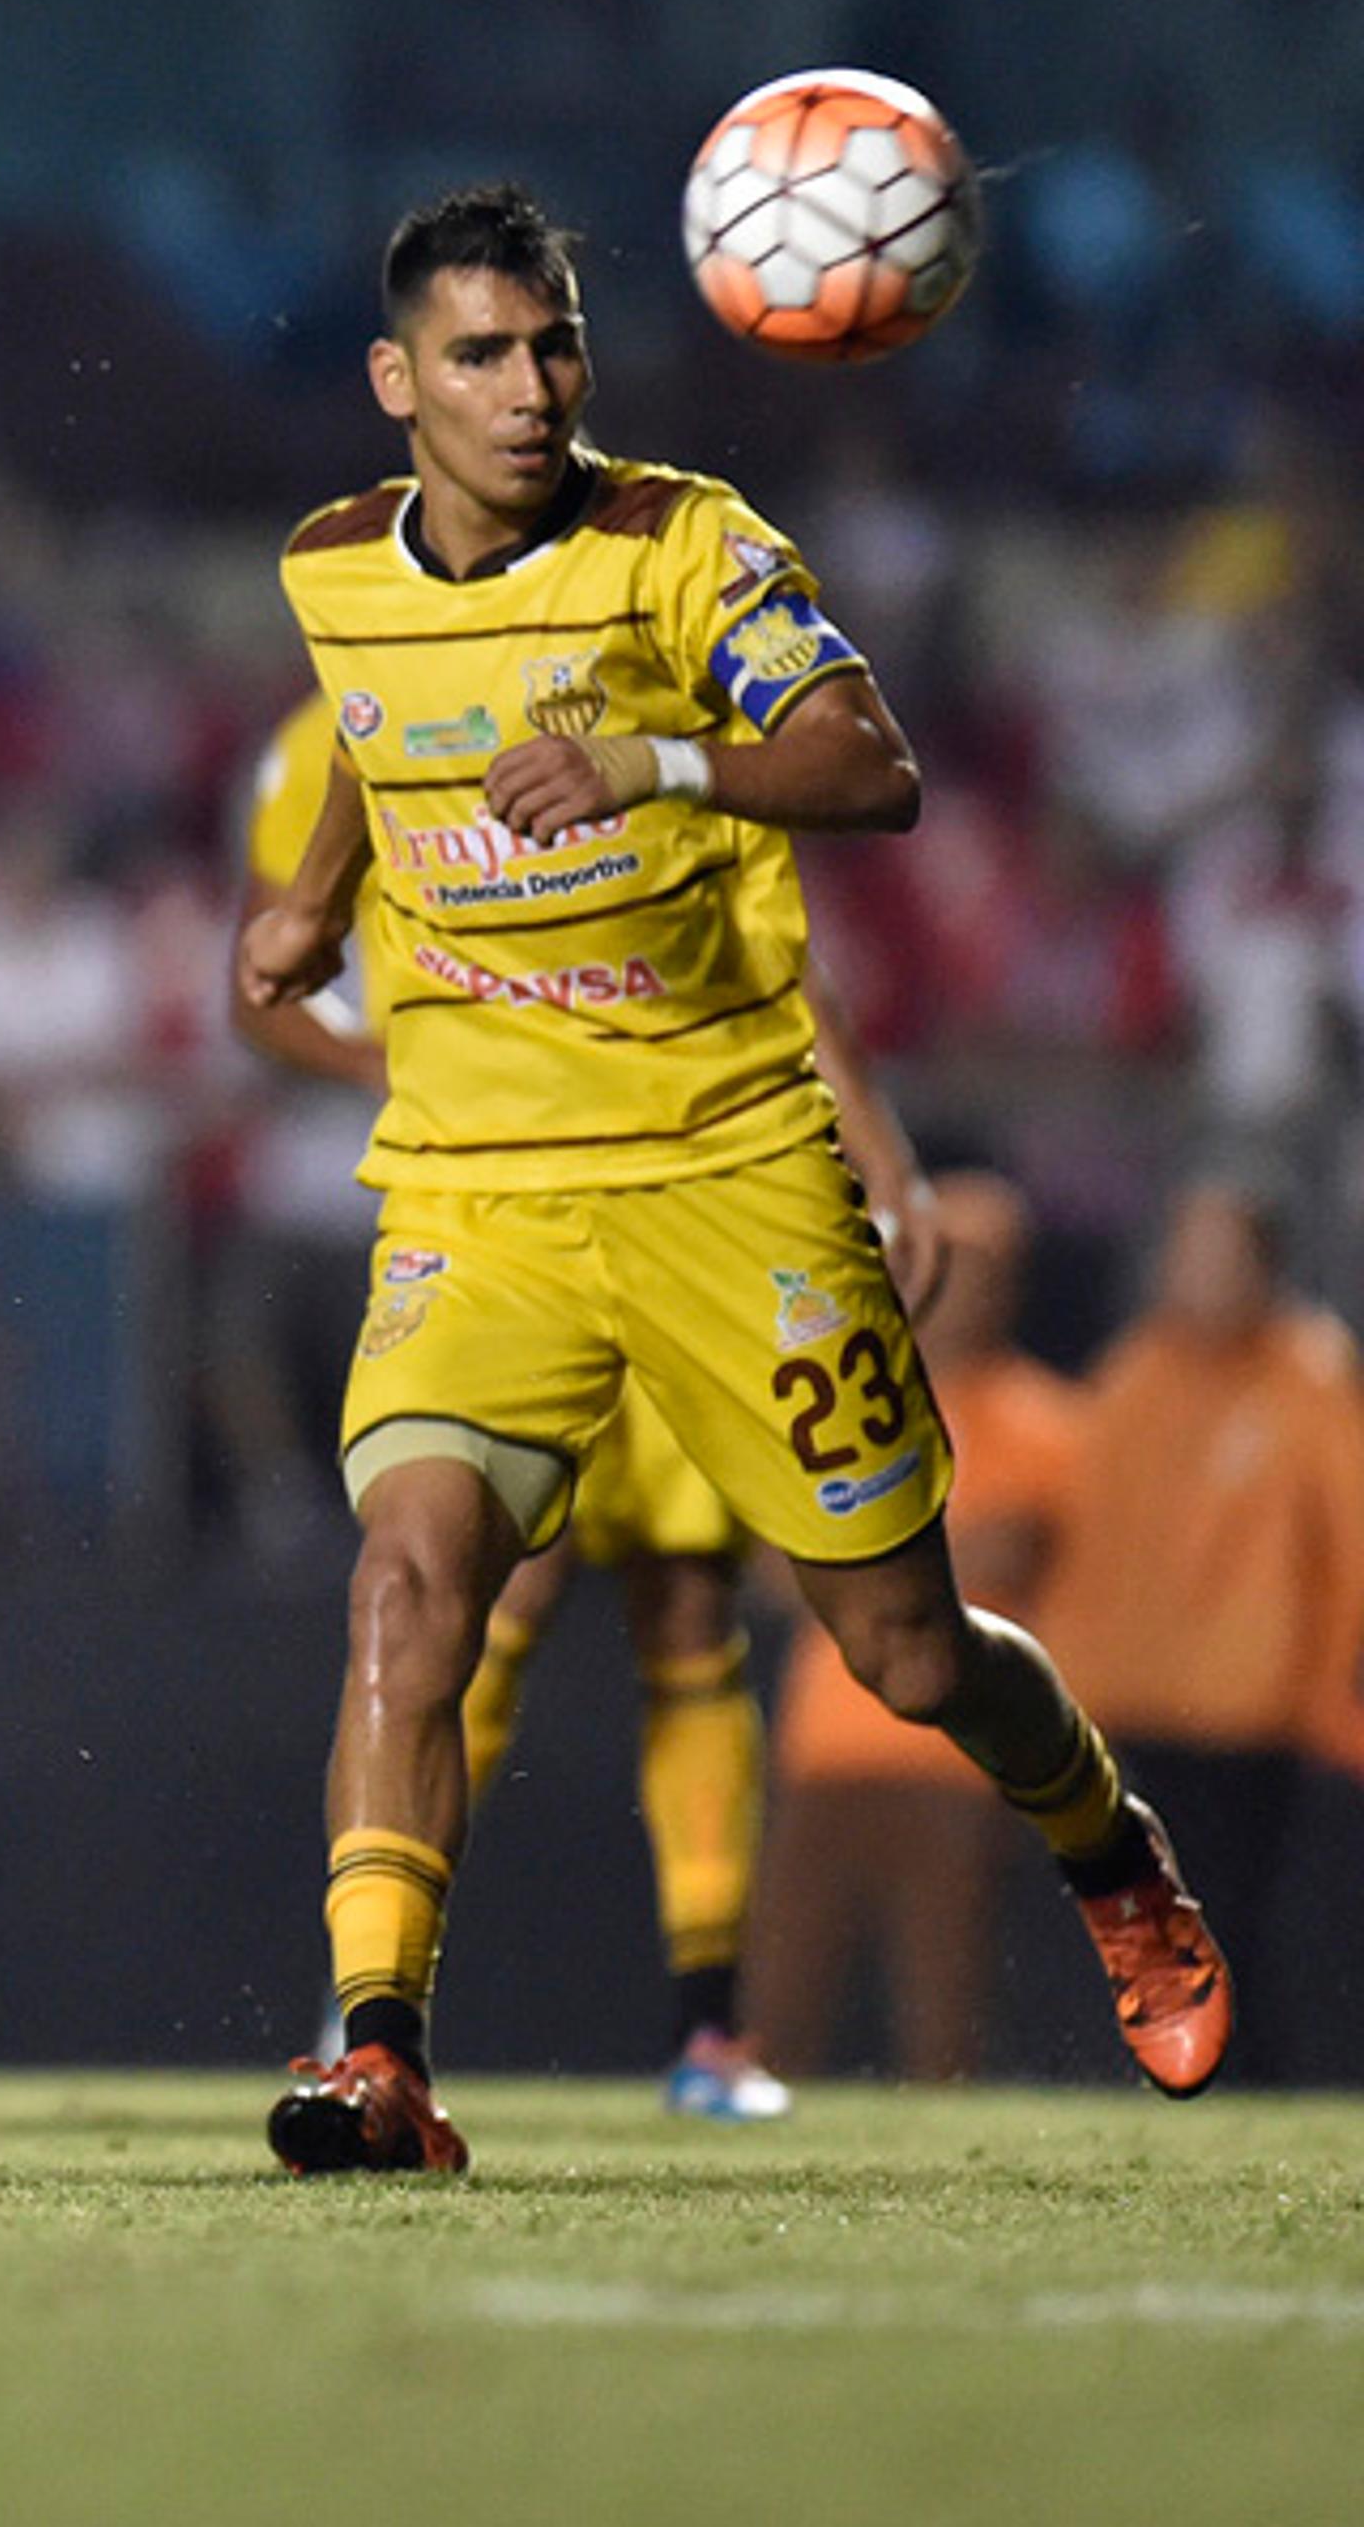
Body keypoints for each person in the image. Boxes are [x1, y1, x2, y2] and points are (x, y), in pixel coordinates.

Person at [236, 183, 1230, 2173]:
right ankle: (379, 2049)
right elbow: (375, 725)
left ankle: (1113, 1850)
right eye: (481, 357)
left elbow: (879, 763)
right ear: (393, 381)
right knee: (413, 1577)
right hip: (480, 1181)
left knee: (906, 1647)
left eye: (554, 347)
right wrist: (313, 897)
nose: (529, 392)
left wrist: (662, 763)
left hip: (727, 1170)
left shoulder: (687, 545)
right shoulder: (334, 567)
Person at [231, 695, 943, 2123]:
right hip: (500, 1233)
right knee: (472, 1596)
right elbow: (259, 981)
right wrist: (405, 1062)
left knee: (689, 1606)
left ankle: (708, 2029)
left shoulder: (642, 698)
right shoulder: (344, 721)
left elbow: (771, 958)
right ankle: (374, 2003)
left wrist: (879, 1152)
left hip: (683, 1208)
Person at [1026, 1178, 1364, 2083]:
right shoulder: (1138, 1374)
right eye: (1187, 1251)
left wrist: (1325, 1684)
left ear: (1265, 1267)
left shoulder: (1307, 1375)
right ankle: (1196, 2078)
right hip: (1142, 1698)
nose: (1198, 1274)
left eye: (1218, 1253)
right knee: (1156, 1913)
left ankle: (1242, 2079)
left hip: (1252, 1709)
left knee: (1232, 1912)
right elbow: (1090, 1534)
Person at [746, 1172, 1077, 2083]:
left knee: (943, 2010)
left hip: (958, 1757)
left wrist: (859, 1557)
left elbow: (1012, 1550)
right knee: (776, 2005)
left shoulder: (1043, 1417)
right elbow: (774, 1562)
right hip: (825, 1747)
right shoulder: (853, 1393)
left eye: (985, 1267)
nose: (961, 1283)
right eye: (949, 1260)